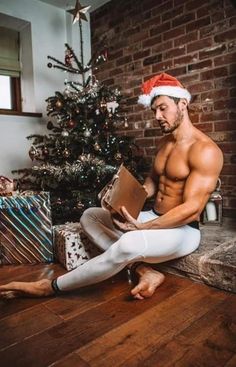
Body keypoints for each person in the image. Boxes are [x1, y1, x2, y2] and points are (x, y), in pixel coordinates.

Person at [0, 73, 223, 300]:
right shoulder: (165, 142)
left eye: (163, 108)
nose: (157, 116)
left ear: (182, 104)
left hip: (182, 231)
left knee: (128, 243)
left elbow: (193, 209)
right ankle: (144, 271)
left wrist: (145, 228)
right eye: (154, 110)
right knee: (90, 216)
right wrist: (120, 198)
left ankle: (49, 286)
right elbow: (152, 184)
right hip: (152, 217)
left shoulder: (205, 150)